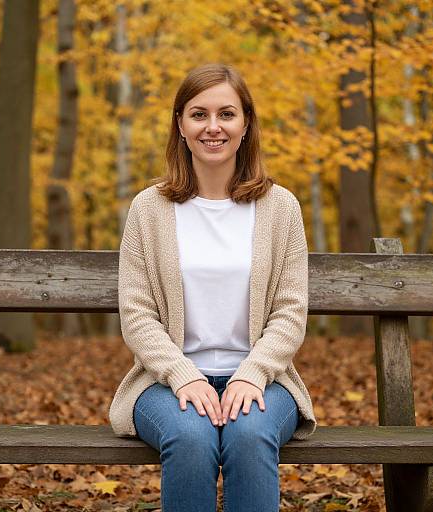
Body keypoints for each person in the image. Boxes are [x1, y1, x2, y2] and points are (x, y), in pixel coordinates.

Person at [109, 62, 316, 512]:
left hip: (264, 380)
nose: (213, 127)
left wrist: (253, 373)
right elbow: (138, 314)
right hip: (167, 383)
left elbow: (290, 311)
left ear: (246, 124)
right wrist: (184, 377)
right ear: (180, 125)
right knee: (189, 436)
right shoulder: (149, 208)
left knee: (249, 434)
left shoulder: (280, 208)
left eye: (227, 114)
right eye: (199, 114)